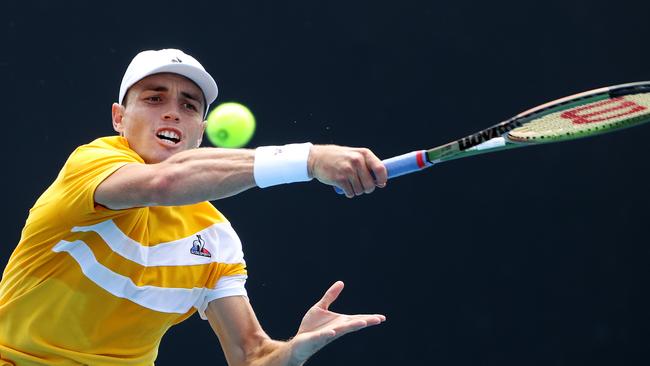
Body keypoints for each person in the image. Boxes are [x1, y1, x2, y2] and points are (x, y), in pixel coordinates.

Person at [0, 48, 388, 365]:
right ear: (119, 118)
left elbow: (253, 356)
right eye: (154, 98)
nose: (172, 112)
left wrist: (295, 350)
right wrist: (309, 159)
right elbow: (165, 182)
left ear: (201, 132)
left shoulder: (214, 238)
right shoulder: (91, 164)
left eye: (189, 106)